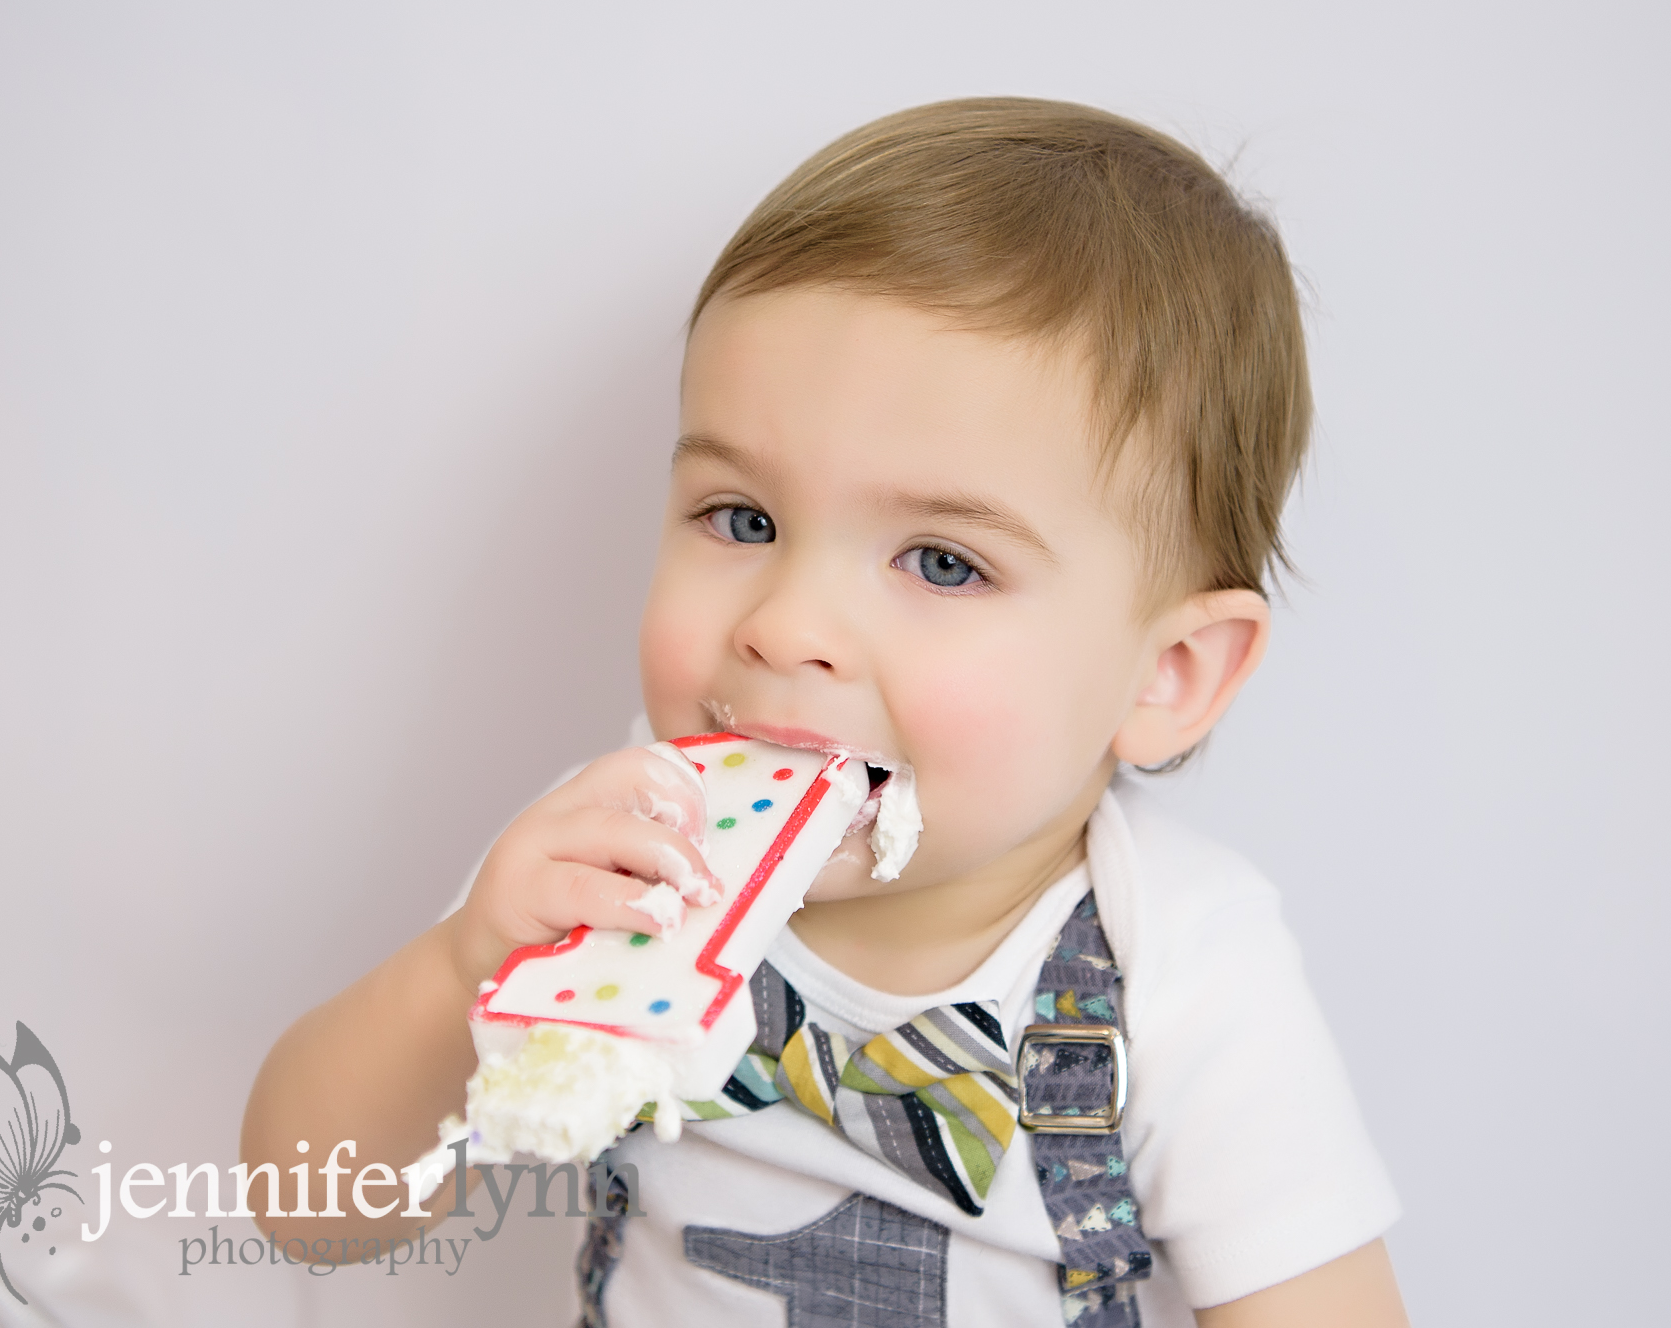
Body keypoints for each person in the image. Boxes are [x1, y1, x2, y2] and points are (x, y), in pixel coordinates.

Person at [243, 97, 1407, 1327]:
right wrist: (460, 967)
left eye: (942, 563)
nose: (785, 626)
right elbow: (310, 1208)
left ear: (1162, 677)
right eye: (742, 520)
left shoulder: (1179, 971)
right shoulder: (619, 851)